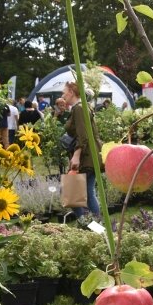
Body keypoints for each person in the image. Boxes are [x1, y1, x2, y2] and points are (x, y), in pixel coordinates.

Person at [63, 82, 102, 219]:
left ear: (72, 92)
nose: (63, 95)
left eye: (64, 92)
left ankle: (94, 226)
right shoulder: (80, 107)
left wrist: (76, 156)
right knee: (78, 193)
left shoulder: (79, 108)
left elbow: (83, 135)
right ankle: (91, 225)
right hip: (87, 154)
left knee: (83, 192)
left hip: (86, 155)